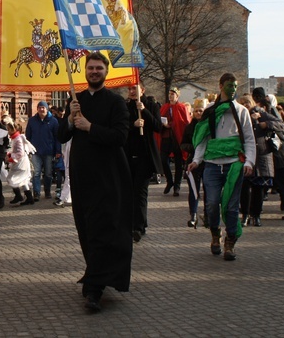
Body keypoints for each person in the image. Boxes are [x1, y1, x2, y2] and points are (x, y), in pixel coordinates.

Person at [58, 52, 132, 312]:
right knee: (86, 230)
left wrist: (90, 127)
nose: (94, 71)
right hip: (81, 176)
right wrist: (69, 119)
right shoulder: (75, 100)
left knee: (103, 230)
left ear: (106, 71)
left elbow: (121, 136)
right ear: (84, 71)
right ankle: (95, 274)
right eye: (90, 68)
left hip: (108, 177)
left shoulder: (116, 102)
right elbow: (62, 136)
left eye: (99, 68)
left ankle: (94, 289)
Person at [188, 73, 255, 261]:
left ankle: (230, 241)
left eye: (235, 86)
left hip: (234, 163)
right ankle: (215, 234)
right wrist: (197, 159)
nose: (232, 89)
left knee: (232, 206)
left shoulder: (241, 111)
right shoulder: (210, 110)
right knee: (211, 204)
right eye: (229, 85)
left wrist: (249, 161)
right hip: (212, 164)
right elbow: (203, 137)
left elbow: (248, 138)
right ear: (220, 86)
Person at [239, 93, 284, 227]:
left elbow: (280, 124)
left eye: (247, 103)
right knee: (244, 188)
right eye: (242, 103)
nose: (245, 106)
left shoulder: (260, 113)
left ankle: (256, 215)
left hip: (261, 155)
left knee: (258, 188)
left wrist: (264, 124)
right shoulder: (239, 116)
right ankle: (245, 215)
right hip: (244, 155)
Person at [126, 83, 163, 242]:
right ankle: (139, 222)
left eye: (135, 88)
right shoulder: (124, 106)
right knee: (130, 192)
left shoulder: (151, 105)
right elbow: (120, 127)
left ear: (143, 90)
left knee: (140, 192)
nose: (132, 91)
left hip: (145, 157)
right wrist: (132, 125)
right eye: (130, 89)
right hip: (128, 156)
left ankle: (138, 227)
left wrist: (145, 112)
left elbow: (158, 126)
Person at [26, 101, 61, 200]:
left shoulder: (53, 121)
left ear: (47, 109)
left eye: (43, 107)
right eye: (40, 107)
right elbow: (28, 136)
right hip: (35, 151)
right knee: (36, 173)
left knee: (48, 173)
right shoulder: (32, 120)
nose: (42, 109)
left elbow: (57, 137)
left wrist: (58, 151)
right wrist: (27, 148)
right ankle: (36, 193)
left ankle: (47, 191)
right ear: (37, 109)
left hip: (48, 151)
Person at [181, 99, 208, 228]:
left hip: (208, 160)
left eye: (201, 111)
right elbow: (183, 144)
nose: (198, 113)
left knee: (208, 189)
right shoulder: (189, 127)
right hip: (193, 161)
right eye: (196, 111)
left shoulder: (209, 126)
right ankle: (193, 214)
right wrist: (193, 147)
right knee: (193, 189)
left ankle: (208, 214)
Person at [160, 87, 191, 196]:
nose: (170, 96)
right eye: (169, 94)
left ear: (177, 96)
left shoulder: (182, 107)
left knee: (178, 163)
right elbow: (159, 118)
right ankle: (170, 181)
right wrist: (164, 124)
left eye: (173, 94)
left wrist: (172, 124)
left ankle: (177, 186)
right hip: (166, 137)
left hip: (177, 138)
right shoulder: (165, 107)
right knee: (163, 159)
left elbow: (185, 122)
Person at [5, 121, 36, 206]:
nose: (7, 131)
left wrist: (11, 157)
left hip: (21, 163)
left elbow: (20, 153)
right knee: (23, 180)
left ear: (13, 129)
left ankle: (19, 196)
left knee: (11, 178)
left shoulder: (18, 138)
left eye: (8, 129)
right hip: (20, 162)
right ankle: (29, 198)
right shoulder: (16, 138)